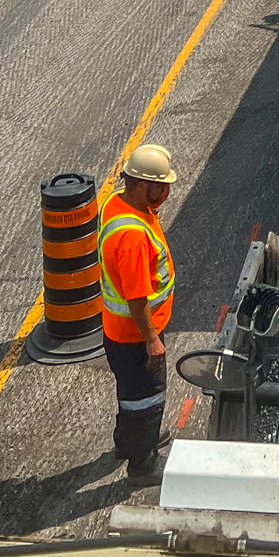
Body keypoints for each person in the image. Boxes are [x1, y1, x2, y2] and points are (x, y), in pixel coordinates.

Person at [99, 142, 177, 483]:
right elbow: (136, 298)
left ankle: (126, 442)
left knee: (130, 393)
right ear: (143, 185)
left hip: (117, 332)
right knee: (147, 398)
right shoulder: (131, 236)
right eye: (162, 186)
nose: (168, 192)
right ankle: (142, 463)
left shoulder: (116, 203)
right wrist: (152, 340)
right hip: (135, 336)